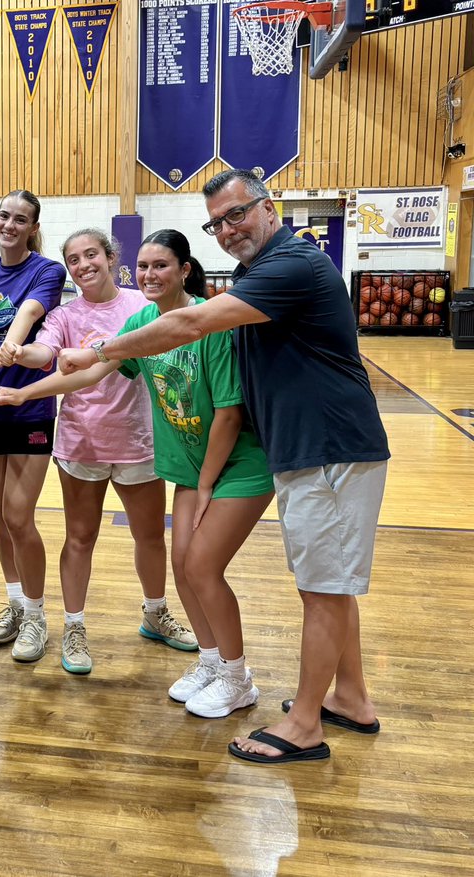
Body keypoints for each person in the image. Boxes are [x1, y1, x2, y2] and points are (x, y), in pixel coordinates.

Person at [60, 170, 389, 764]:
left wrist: (101, 347)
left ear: (269, 208)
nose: (228, 230)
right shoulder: (257, 272)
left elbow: (189, 324)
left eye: (237, 214)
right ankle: (351, 698)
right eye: (216, 222)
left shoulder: (294, 265)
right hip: (305, 448)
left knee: (322, 589)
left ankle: (306, 726)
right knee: (331, 585)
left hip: (329, 447)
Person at [0, 229, 273, 716]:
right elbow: (84, 366)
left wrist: (206, 481)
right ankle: (205, 661)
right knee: (159, 559)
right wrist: (24, 390)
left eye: (160, 266)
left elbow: (227, 413)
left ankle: (212, 656)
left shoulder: (184, 317)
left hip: (189, 458)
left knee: (186, 559)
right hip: (137, 455)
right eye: (73, 259)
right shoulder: (119, 317)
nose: (149, 274)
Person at [0, 229, 195, 674]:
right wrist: (19, 351)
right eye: (74, 259)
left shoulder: (142, 305)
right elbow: (46, 350)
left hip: (139, 441)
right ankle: (74, 626)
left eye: (92, 255)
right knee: (80, 538)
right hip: (82, 441)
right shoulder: (64, 314)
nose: (84, 265)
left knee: (151, 537)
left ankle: (155, 613)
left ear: (111, 257)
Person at [0, 190, 68, 662]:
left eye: (20, 219)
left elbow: (29, 312)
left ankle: (37, 615)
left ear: (32, 226)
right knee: (0, 516)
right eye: (5, 215)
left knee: (18, 516)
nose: (10, 224)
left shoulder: (47, 270)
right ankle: (14, 603)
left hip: (30, 408)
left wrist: (9, 346)